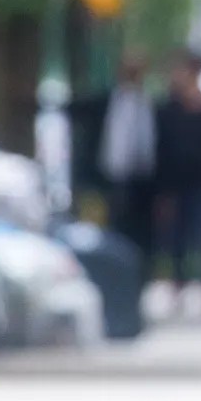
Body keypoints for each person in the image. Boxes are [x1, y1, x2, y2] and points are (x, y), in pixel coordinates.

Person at [68, 53, 157, 265]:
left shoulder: (149, 105)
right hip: (102, 181)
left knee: (135, 240)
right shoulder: (101, 102)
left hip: (139, 187)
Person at [155, 51, 201, 297]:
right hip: (175, 185)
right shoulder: (167, 111)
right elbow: (161, 151)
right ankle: (178, 281)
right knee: (175, 234)